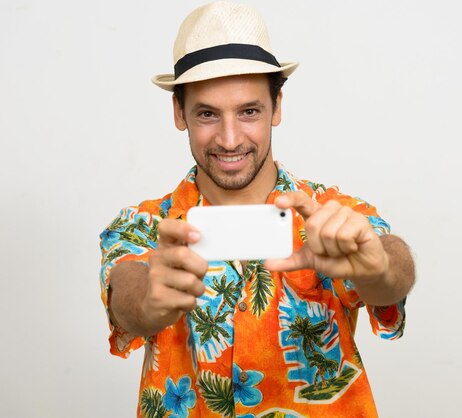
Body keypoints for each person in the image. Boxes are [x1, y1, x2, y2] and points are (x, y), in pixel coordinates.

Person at [99, 2, 416, 417]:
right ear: (179, 113)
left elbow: (392, 267)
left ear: (276, 107)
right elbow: (127, 292)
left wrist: (378, 270)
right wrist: (147, 303)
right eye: (207, 114)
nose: (230, 139)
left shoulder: (330, 214)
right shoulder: (143, 226)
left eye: (249, 111)